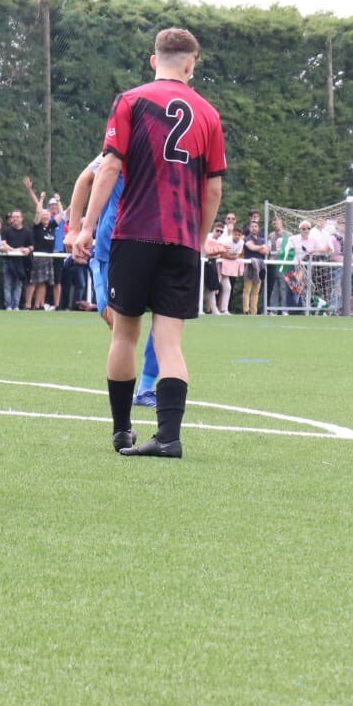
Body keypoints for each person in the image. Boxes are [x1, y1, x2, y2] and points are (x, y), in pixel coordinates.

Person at [73, 27, 226, 460]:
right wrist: (197, 240)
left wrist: (85, 227)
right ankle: (170, 437)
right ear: (191, 65)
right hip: (181, 238)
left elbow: (108, 168)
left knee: (124, 334)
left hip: (135, 232)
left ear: (152, 60)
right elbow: (212, 190)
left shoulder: (131, 101)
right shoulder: (209, 115)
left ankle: (123, 431)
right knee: (170, 341)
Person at [66, 153, 161, 407]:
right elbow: (85, 179)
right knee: (117, 323)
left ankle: (147, 387)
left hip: (160, 243)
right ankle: (123, 412)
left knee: (166, 319)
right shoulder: (122, 142)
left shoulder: (172, 144)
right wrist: (75, 229)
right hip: (113, 245)